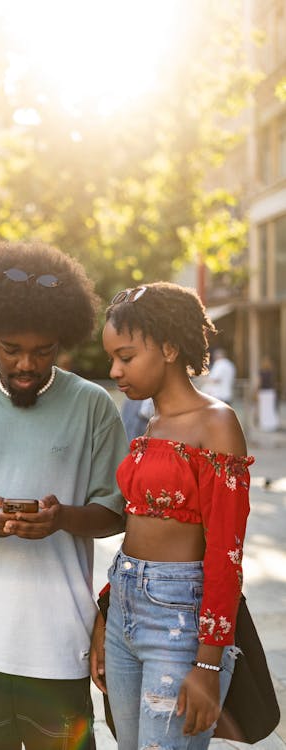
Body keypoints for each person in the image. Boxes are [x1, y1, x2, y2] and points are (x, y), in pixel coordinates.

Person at [0, 240, 129, 750]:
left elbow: (115, 514)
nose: (26, 363)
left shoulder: (94, 406)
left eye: (43, 350)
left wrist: (62, 519)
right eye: (12, 349)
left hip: (58, 642)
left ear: (63, 341)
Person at [91, 282, 254, 750]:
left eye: (125, 357)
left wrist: (207, 664)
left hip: (179, 622)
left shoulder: (216, 423)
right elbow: (137, 530)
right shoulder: (149, 424)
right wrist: (109, 608)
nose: (115, 370)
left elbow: (226, 554)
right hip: (124, 603)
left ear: (168, 347)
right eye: (112, 359)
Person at [257, 355, 279, 432]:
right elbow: (273, 382)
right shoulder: (271, 372)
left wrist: (257, 390)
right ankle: (272, 424)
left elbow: (259, 382)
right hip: (270, 391)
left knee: (264, 408)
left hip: (263, 392)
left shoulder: (261, 372)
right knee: (270, 408)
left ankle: (265, 424)